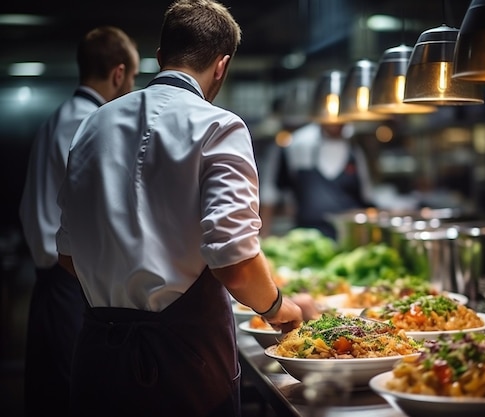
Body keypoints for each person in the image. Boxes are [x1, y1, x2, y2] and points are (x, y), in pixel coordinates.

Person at [55, 1, 304, 416]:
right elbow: (235, 263)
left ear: (159, 58)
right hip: (184, 368)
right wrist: (279, 307)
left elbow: (67, 255)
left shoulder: (92, 124)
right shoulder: (219, 126)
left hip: (98, 361)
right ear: (221, 65)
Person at [18, 25, 139, 417]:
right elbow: (106, 213)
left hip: (52, 280)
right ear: (118, 73)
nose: (131, 86)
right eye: (133, 78)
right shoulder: (89, 125)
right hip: (69, 282)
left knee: (51, 392)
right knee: (74, 398)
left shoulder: (59, 118)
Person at [259, 121, 376, 239]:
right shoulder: (299, 144)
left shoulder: (355, 148)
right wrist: (262, 237)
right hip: (307, 237)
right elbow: (270, 194)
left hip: (349, 235)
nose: (336, 123)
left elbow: (367, 197)